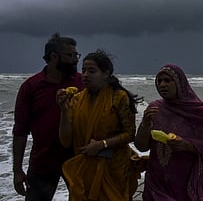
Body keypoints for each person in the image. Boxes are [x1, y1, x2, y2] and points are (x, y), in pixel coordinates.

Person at [56, 49, 142, 200]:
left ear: (106, 73)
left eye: (91, 71)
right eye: (83, 70)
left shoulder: (118, 98)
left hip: (114, 168)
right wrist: (63, 111)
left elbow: (129, 134)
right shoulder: (76, 100)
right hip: (84, 168)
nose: (85, 75)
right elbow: (65, 141)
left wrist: (102, 144)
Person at [13, 33, 83, 200]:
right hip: (43, 161)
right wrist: (17, 170)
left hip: (77, 159)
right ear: (53, 56)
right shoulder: (31, 86)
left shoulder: (82, 82)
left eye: (76, 55)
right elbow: (20, 131)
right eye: (70, 55)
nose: (75, 59)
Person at [134, 64, 203, 201]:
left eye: (167, 80)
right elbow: (141, 146)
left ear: (179, 82)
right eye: (159, 81)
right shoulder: (154, 108)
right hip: (156, 181)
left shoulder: (197, 111)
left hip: (185, 180)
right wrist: (145, 124)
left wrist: (186, 145)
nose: (162, 85)